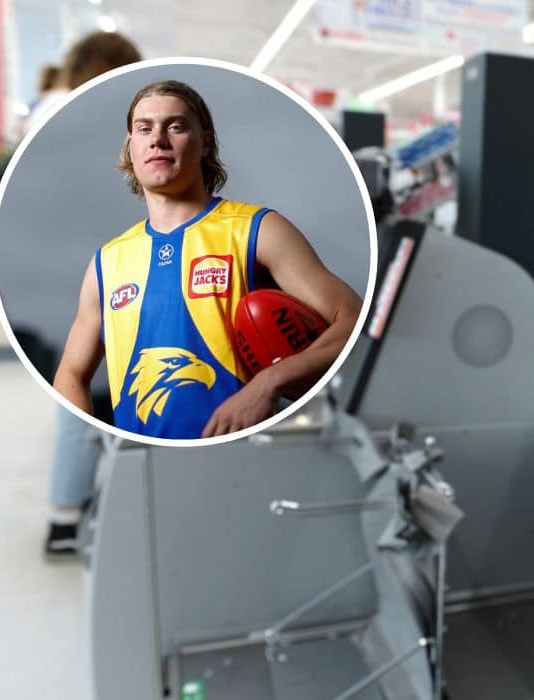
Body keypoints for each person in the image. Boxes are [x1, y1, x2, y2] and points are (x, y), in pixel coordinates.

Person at [52, 79, 362, 440]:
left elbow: (353, 321)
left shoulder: (257, 230)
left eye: (176, 126)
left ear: (205, 143)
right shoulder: (106, 262)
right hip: (143, 469)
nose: (158, 139)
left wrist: (269, 381)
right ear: (131, 147)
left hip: (243, 457)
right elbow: (70, 374)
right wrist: (91, 445)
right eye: (144, 129)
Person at [40, 32, 143, 556]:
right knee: (83, 394)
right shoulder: (77, 115)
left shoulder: (51, 109)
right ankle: (66, 519)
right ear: (105, 66)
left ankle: (69, 511)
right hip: (89, 268)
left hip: (63, 266)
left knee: (80, 389)